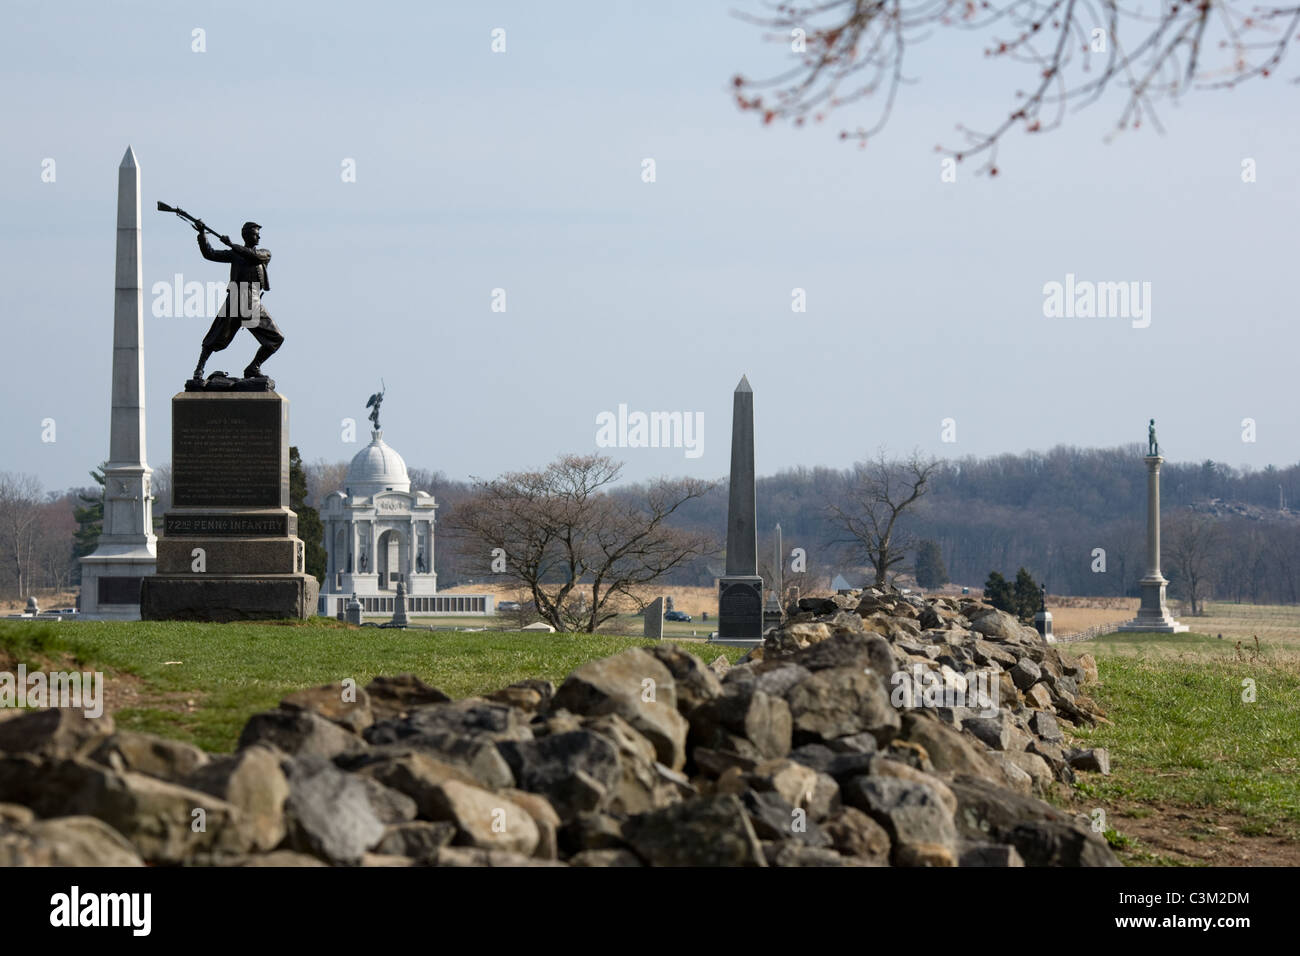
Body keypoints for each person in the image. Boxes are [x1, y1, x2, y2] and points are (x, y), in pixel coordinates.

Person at [191, 221, 283, 380]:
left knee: (276, 338)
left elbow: (253, 256)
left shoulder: (264, 254)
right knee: (216, 336)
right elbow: (210, 254)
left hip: (253, 301)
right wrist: (202, 234)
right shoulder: (235, 254)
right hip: (235, 298)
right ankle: (199, 369)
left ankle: (253, 368)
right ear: (247, 235)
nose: (259, 236)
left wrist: (232, 244)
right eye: (256, 233)